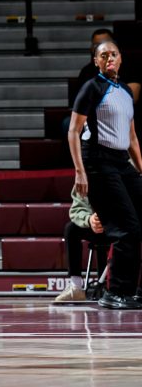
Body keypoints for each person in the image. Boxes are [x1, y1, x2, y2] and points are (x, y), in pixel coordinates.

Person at [68, 40, 142, 309]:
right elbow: (73, 131)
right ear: (96, 61)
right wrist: (80, 172)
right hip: (98, 161)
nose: (109, 58)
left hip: (122, 161)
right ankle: (115, 292)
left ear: (120, 58)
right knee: (126, 227)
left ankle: (133, 290)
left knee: (138, 222)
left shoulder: (124, 91)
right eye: (103, 55)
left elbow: (132, 138)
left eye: (113, 54)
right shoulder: (92, 88)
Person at [54, 186, 110, 302]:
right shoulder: (85, 175)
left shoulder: (126, 170)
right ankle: (76, 287)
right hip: (98, 227)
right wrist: (89, 219)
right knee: (71, 229)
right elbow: (77, 209)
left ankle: (120, 287)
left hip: (123, 225)